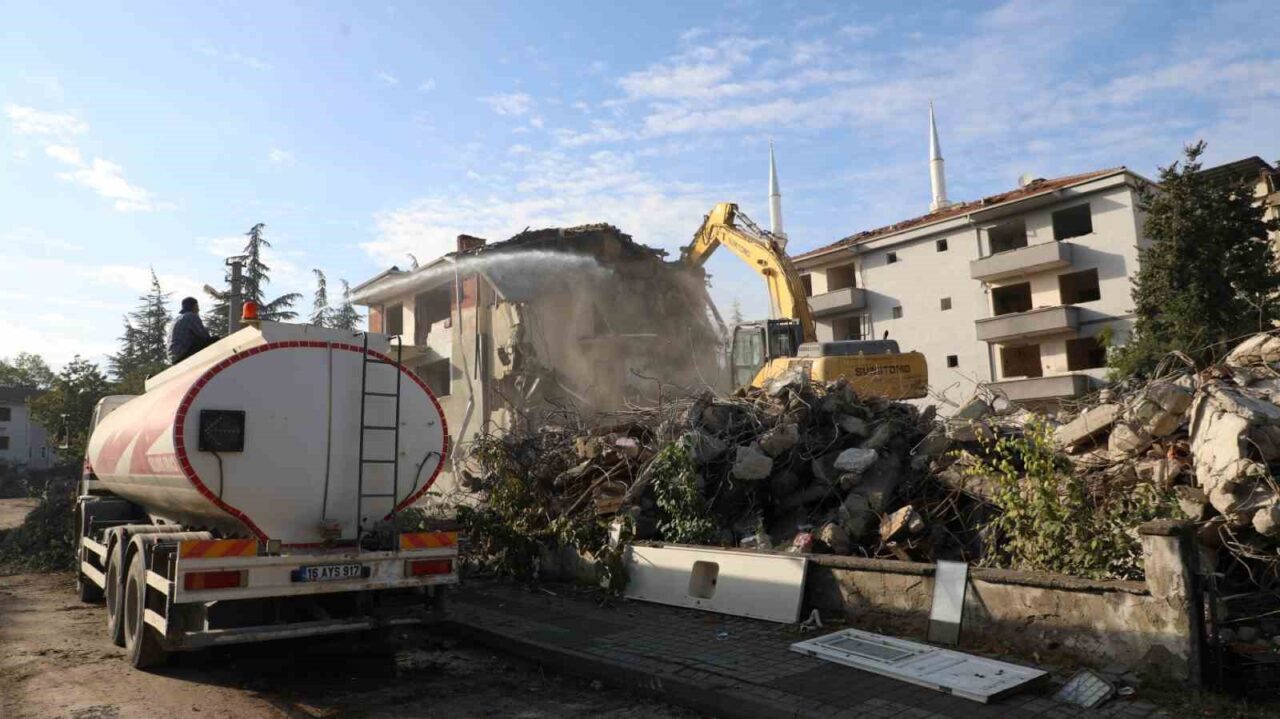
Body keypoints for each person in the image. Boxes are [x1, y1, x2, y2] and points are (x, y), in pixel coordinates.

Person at [169, 297, 214, 364]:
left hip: (173, 357)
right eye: (197, 307)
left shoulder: (176, 319)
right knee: (214, 340)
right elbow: (205, 337)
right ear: (193, 307)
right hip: (182, 354)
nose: (198, 309)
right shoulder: (191, 316)